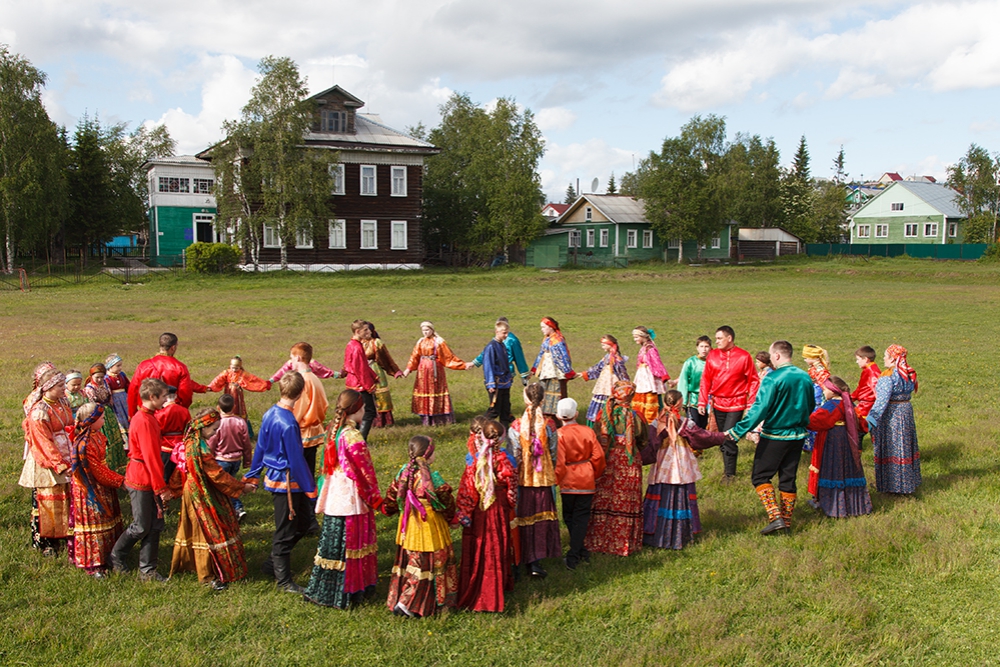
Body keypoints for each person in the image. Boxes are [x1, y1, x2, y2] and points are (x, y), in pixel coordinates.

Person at [304, 390, 385, 609]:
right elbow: (364, 471)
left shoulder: (334, 429)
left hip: (335, 493)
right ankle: (351, 591)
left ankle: (326, 589)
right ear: (357, 409)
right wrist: (375, 498)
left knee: (333, 542)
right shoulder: (353, 436)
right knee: (353, 543)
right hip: (351, 495)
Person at [724, 341, 815, 535]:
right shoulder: (805, 376)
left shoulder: (773, 378)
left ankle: (775, 517)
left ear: (777, 356)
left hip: (775, 434)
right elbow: (811, 403)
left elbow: (760, 408)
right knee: (788, 478)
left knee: (760, 476)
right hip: (798, 434)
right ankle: (787, 522)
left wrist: (737, 431)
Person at [244, 371, 317, 593]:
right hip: (287, 483)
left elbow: (261, 447)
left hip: (282, 479)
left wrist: (254, 473)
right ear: (301, 392)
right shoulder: (289, 424)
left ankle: (272, 563)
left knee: (303, 524)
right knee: (284, 531)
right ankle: (284, 580)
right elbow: (296, 460)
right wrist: (310, 488)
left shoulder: (269, 414)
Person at [168, 408, 254, 590]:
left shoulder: (192, 441)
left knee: (195, 529)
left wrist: (174, 489)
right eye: (214, 430)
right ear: (204, 426)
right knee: (205, 530)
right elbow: (217, 475)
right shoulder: (199, 448)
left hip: (194, 488)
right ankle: (207, 576)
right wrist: (241, 488)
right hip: (200, 493)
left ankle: (191, 565)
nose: (215, 433)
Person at [383, 435, 458, 617]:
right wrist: (452, 518)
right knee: (427, 563)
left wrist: (389, 509)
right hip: (429, 525)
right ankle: (409, 604)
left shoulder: (404, 471)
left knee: (411, 560)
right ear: (428, 454)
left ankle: (402, 599)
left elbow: (393, 494)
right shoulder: (433, 478)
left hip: (409, 524)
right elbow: (446, 500)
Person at [456, 420, 518, 613]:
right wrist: (509, 503)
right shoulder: (504, 460)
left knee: (480, 546)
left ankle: (477, 586)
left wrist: (464, 512)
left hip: (480, 509)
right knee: (497, 545)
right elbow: (512, 488)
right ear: (501, 437)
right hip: (498, 508)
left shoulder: (476, 460)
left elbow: (468, 489)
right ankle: (497, 587)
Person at [111, 377, 170, 580]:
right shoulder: (144, 421)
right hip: (142, 478)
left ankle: (148, 569)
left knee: (154, 524)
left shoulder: (149, 416)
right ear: (152, 397)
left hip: (148, 476)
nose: (166, 400)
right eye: (163, 397)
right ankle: (117, 555)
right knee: (142, 525)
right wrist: (161, 488)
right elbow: (151, 456)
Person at [585, 380, 648, 557]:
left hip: (607, 459)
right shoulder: (637, 416)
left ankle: (598, 540)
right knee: (626, 499)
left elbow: (597, 437)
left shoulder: (604, 414)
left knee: (603, 498)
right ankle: (624, 543)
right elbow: (643, 441)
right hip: (629, 460)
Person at [19, 368, 73, 557]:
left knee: (66, 499)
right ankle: (46, 543)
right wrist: (59, 463)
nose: (63, 389)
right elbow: (43, 441)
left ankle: (64, 535)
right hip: (47, 459)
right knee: (48, 501)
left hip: (66, 453)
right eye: (59, 386)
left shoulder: (62, 402)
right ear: (48, 387)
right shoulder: (39, 411)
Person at [509, 382, 560, 578]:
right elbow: (553, 452)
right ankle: (537, 559)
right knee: (541, 516)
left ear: (526, 399)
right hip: (544, 478)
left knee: (523, 516)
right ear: (544, 399)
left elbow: (515, 454)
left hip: (523, 479)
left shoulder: (516, 425)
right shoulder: (550, 425)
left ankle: (521, 557)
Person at [69, 403, 125, 578]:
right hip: (89, 488)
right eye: (100, 418)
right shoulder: (84, 443)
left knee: (106, 519)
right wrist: (120, 481)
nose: (103, 420)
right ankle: (93, 564)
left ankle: (108, 554)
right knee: (95, 522)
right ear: (91, 420)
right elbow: (97, 471)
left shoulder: (97, 436)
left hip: (102, 484)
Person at [698, 326, 760, 484]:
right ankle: (727, 469)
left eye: (719, 338)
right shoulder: (712, 355)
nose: (716, 341)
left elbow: (753, 380)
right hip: (718, 402)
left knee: (729, 438)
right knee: (722, 438)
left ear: (729, 338)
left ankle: (729, 474)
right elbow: (706, 379)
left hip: (736, 402)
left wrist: (751, 402)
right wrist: (702, 401)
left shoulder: (744, 356)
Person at [643, 390, 703, 550]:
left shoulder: (657, 423)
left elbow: (650, 444)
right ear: (678, 404)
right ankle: (680, 534)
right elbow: (702, 436)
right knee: (680, 492)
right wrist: (722, 436)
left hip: (663, 464)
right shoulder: (684, 422)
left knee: (661, 491)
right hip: (681, 463)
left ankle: (655, 534)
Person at [809, 376, 872, 518]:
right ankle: (855, 505)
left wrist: (802, 418)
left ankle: (833, 506)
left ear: (833, 391)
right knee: (847, 468)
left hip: (833, 440)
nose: (823, 391)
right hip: (848, 440)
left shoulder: (832, 405)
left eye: (825, 389)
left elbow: (817, 421)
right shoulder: (849, 404)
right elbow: (862, 423)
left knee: (833, 468)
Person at [554, 397, 606, 570]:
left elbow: (560, 462)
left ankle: (573, 555)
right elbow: (598, 456)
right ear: (576, 413)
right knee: (581, 517)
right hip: (586, 478)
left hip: (568, 481)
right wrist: (593, 473)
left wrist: (555, 480)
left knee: (569, 517)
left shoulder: (559, 435)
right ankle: (581, 549)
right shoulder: (587, 431)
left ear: (558, 415)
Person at [867, 345, 921, 495]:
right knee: (904, 446)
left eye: (886, 356)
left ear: (892, 358)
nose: (883, 358)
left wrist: (871, 419)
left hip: (892, 415)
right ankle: (907, 484)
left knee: (892, 446)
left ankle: (892, 486)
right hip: (905, 412)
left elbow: (882, 401)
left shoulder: (888, 376)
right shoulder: (908, 374)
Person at [127, 332, 209, 416]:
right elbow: (186, 395)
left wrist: (132, 414)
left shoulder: (143, 365)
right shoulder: (180, 367)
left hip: (147, 412)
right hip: (170, 413)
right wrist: (180, 411)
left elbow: (133, 390)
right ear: (173, 347)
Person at [402, 322, 466, 426]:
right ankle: (426, 418)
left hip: (435, 369)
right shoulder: (420, 341)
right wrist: (408, 370)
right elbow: (414, 356)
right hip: (423, 371)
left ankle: (439, 418)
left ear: (432, 330)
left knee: (436, 389)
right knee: (423, 390)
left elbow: (448, 357)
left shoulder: (439, 342)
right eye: (423, 330)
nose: (425, 332)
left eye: (427, 330)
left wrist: (462, 365)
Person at [287, 342, 329, 481]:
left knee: (300, 472)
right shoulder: (314, 378)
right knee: (309, 468)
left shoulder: (302, 381)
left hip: (302, 432)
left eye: (292, 358)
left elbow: (298, 409)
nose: (291, 362)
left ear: (298, 358)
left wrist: (288, 425)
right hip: (314, 430)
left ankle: (304, 499)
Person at [208, 393, 253, 521]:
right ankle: (231, 510)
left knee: (224, 486)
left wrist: (209, 458)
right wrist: (247, 461)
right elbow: (246, 443)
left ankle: (235, 508)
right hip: (236, 460)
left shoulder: (218, 423)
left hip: (221, 459)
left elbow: (212, 442)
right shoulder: (240, 422)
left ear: (218, 407)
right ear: (234, 407)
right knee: (231, 483)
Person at [207, 355, 271, 438]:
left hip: (237, 397)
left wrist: (265, 384)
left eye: (236, 368)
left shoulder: (243, 374)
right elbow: (217, 380)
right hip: (228, 394)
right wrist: (210, 387)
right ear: (230, 366)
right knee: (227, 409)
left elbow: (253, 379)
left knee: (239, 412)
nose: (234, 370)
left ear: (240, 367)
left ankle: (245, 433)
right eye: (233, 367)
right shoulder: (226, 373)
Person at [83, 363, 128, 472]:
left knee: (115, 435)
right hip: (98, 413)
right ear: (91, 376)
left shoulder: (105, 384)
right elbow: (92, 404)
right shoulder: (89, 388)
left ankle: (119, 464)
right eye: (97, 377)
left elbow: (109, 397)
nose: (99, 379)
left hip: (108, 411)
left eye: (101, 377)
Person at [802, 344, 832, 504]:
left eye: (806, 357)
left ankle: (815, 452)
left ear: (812, 358)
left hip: (818, 402)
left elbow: (824, 388)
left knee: (814, 430)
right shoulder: (818, 368)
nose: (805, 359)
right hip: (814, 399)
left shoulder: (819, 371)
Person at [340, 321, 379, 440]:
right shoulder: (357, 347)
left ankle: (352, 437)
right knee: (369, 412)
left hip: (352, 382)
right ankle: (361, 439)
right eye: (366, 330)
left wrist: (374, 376)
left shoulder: (351, 344)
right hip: (359, 384)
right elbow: (360, 369)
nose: (369, 332)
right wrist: (369, 386)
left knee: (355, 412)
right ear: (358, 331)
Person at [468, 316, 531, 388]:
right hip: (496, 370)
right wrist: (474, 363)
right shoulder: (496, 340)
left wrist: (524, 375)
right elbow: (487, 353)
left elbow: (519, 357)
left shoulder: (512, 340)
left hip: (507, 371)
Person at [581, 335, 630, 426]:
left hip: (611, 383)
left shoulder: (616, 358)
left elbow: (622, 372)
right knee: (601, 398)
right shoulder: (608, 356)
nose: (602, 346)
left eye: (604, 344)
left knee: (609, 399)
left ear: (610, 344)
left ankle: (606, 421)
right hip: (604, 383)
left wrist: (625, 384)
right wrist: (586, 373)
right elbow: (598, 368)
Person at [361, 321, 403, 428]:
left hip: (375, 370)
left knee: (379, 393)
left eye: (367, 330)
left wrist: (395, 371)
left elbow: (386, 358)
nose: (366, 333)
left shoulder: (376, 342)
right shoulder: (358, 343)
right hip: (362, 371)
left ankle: (382, 421)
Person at [531, 317, 576, 417]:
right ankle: (544, 415)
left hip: (555, 373)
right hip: (546, 371)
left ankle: (556, 417)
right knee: (543, 393)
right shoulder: (547, 339)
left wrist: (568, 371)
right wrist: (534, 369)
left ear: (551, 327)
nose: (541, 329)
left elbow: (562, 357)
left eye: (543, 327)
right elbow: (541, 354)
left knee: (557, 393)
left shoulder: (557, 340)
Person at [630, 326, 670, 423]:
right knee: (642, 398)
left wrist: (663, 376)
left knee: (652, 399)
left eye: (636, 337)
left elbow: (657, 363)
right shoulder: (644, 348)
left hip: (648, 377)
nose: (635, 339)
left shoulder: (650, 348)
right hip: (643, 377)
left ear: (643, 336)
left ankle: (654, 421)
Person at [479, 321, 513, 425]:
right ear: (497, 332)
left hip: (505, 382)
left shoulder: (502, 345)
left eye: (507, 333)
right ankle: (480, 427)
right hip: (496, 384)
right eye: (504, 333)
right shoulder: (491, 347)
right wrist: (491, 383)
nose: (506, 335)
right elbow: (488, 365)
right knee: (495, 409)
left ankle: (505, 432)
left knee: (505, 409)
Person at [157, 385, 191, 485]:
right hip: (180, 445)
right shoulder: (184, 411)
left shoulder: (160, 413)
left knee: (165, 472)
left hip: (165, 446)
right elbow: (188, 428)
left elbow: (158, 430)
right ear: (175, 396)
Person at [677, 336, 711, 428]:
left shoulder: (713, 362)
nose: (704, 349)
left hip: (709, 400)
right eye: (701, 346)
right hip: (693, 400)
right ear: (697, 347)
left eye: (706, 346)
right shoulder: (690, 362)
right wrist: (683, 401)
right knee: (694, 426)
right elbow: (683, 381)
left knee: (705, 427)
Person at [851, 346, 882, 439]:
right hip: (865, 404)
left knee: (859, 431)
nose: (857, 362)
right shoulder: (868, 370)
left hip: (867, 406)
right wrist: (850, 397)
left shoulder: (872, 372)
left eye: (858, 359)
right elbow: (861, 388)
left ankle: (856, 451)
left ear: (866, 359)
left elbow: (877, 389)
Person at [104, 354, 131, 437]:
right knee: (120, 418)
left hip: (124, 399)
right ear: (110, 366)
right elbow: (107, 391)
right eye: (117, 366)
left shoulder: (122, 375)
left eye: (120, 365)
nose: (120, 368)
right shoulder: (107, 378)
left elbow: (128, 386)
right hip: (116, 402)